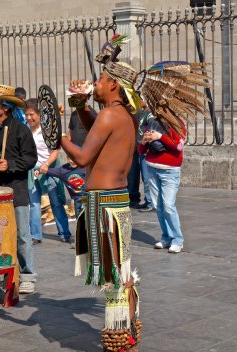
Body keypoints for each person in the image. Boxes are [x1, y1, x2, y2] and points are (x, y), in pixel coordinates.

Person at [60, 59, 143, 351]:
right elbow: (96, 127)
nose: (94, 83)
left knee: (112, 275)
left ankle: (118, 337)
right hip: (117, 202)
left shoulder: (109, 115)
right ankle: (129, 331)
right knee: (123, 270)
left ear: (114, 84)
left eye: (100, 79)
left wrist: (55, 136)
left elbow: (82, 158)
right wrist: (81, 106)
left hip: (104, 206)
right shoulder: (125, 116)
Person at [0, 83, 38, 294]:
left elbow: (31, 158)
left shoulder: (20, 130)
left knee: (21, 235)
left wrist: (10, 165)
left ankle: (27, 275)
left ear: (5, 107)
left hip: (16, 189)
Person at [25, 98, 72, 244]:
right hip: (32, 171)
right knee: (34, 204)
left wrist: (46, 165)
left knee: (56, 202)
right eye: (26, 115)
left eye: (32, 114)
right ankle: (35, 235)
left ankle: (64, 233)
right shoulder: (25, 131)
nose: (29, 118)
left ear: (39, 115)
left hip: (50, 170)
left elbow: (55, 151)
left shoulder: (47, 131)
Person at [139, 117, 185, 253]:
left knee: (168, 206)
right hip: (151, 168)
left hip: (169, 170)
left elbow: (178, 146)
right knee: (158, 206)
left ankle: (177, 240)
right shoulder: (152, 122)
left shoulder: (177, 123)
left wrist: (159, 136)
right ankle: (166, 237)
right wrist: (144, 141)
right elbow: (141, 150)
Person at [40, 155, 85, 219]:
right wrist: (39, 171)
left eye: (75, 158)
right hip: (77, 200)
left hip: (88, 197)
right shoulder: (63, 170)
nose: (72, 161)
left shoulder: (84, 167)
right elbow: (47, 170)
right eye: (70, 158)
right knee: (80, 221)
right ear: (67, 158)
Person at [136, 101, 154, 212]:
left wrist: (146, 140)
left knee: (147, 178)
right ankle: (148, 200)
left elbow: (151, 126)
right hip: (140, 147)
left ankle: (151, 202)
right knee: (144, 177)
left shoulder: (149, 114)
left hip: (146, 149)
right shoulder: (141, 113)